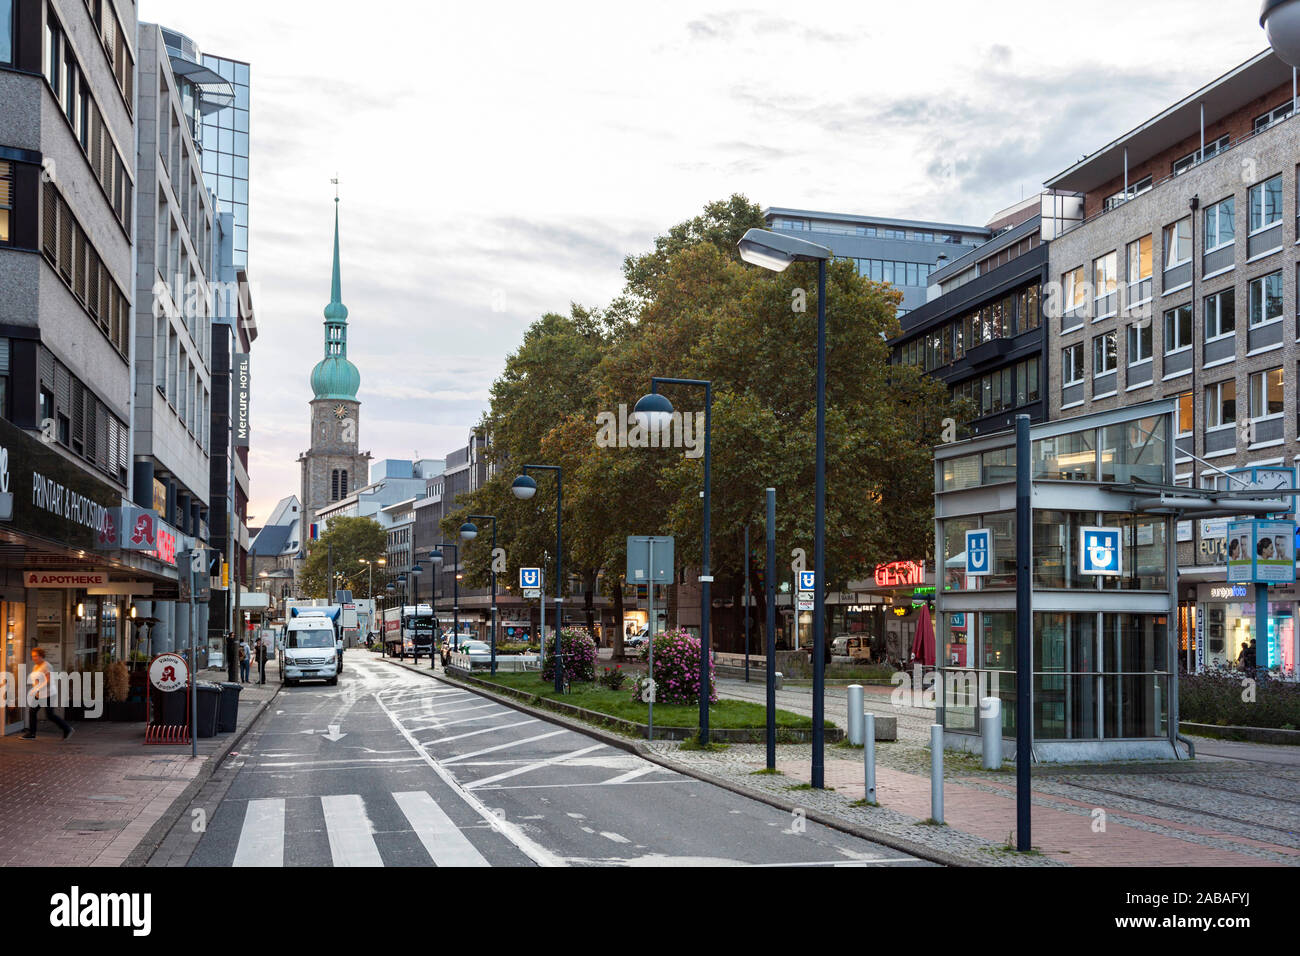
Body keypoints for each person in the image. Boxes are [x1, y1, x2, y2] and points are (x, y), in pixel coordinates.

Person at [21, 647, 73, 741]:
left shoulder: (46, 666)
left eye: (36, 656)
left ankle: (67, 728)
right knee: (32, 712)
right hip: (39, 694)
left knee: (50, 715)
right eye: (33, 656)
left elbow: (48, 681)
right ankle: (32, 733)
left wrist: (36, 688)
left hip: (48, 694)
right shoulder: (35, 666)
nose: (34, 658)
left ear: (41, 656)